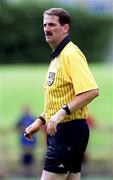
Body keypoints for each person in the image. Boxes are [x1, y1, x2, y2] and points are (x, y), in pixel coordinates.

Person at [24, 8, 99, 180]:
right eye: (44, 25)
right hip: (64, 131)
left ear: (65, 28)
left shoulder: (71, 55)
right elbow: (62, 97)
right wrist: (41, 120)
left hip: (68, 132)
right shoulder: (58, 56)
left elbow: (91, 91)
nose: (46, 29)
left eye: (51, 24)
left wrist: (59, 115)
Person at [16, 106, 37, 176]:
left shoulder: (32, 118)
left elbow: (37, 127)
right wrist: (22, 130)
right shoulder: (22, 119)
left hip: (31, 140)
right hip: (24, 140)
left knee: (30, 156)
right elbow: (17, 126)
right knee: (25, 156)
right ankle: (24, 171)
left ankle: (30, 171)